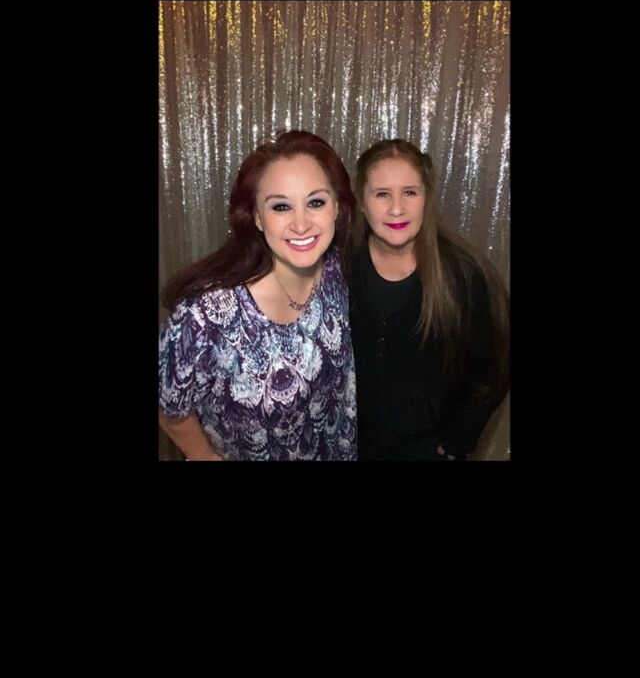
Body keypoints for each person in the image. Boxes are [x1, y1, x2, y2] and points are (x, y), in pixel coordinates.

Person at [159, 130, 358, 461]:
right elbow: (168, 405)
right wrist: (205, 456)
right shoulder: (204, 316)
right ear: (257, 218)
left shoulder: (334, 268)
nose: (301, 224)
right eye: (281, 206)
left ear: (336, 207)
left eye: (316, 202)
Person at [348, 138, 509, 461]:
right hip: (348, 446)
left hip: (426, 449)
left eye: (410, 192)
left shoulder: (463, 274)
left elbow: (491, 369)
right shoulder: (338, 267)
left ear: (426, 198)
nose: (397, 208)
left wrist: (458, 439)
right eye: (382, 194)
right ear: (362, 203)